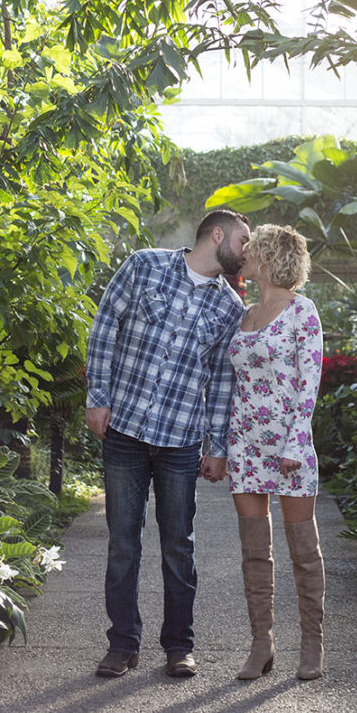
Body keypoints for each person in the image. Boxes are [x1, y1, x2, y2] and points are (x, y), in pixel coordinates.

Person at [85, 208, 251, 680]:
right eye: (243, 240)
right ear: (216, 234)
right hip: (125, 431)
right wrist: (98, 397)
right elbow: (103, 330)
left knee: (179, 545)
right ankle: (122, 644)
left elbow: (222, 382)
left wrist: (217, 445)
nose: (247, 250)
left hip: (180, 440)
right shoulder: (143, 265)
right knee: (123, 543)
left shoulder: (229, 309)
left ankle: (179, 646)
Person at [226, 224, 325, 681]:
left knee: (303, 551)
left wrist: (294, 441)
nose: (242, 255)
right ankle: (261, 644)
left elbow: (309, 383)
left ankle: (312, 644)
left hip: (290, 447)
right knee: (253, 551)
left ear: (267, 257)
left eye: (250, 250)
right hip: (245, 445)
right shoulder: (244, 314)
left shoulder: (302, 311)